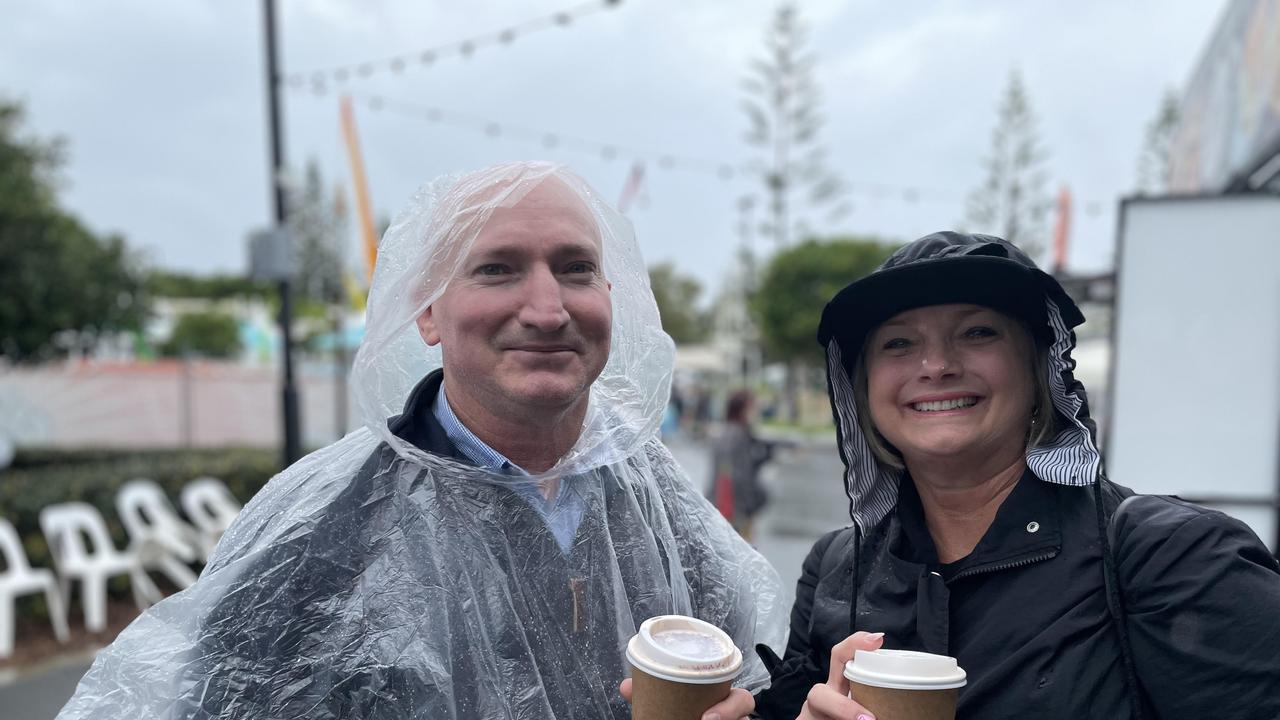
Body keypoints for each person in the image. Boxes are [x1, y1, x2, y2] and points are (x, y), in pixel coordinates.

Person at [56, 162, 785, 720]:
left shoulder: (660, 502)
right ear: (429, 312)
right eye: (497, 268)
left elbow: (753, 679)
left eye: (575, 268)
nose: (546, 307)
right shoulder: (320, 531)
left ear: (611, 298)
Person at [752, 232, 1280, 719]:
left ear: (1040, 370)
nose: (936, 365)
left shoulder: (1174, 556)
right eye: (898, 343)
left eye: (977, 332)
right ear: (862, 387)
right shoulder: (838, 568)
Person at [709, 389, 773, 542]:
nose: (756, 413)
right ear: (743, 410)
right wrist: (750, 506)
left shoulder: (733, 433)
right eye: (753, 408)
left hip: (729, 507)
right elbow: (736, 476)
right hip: (735, 511)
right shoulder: (736, 435)